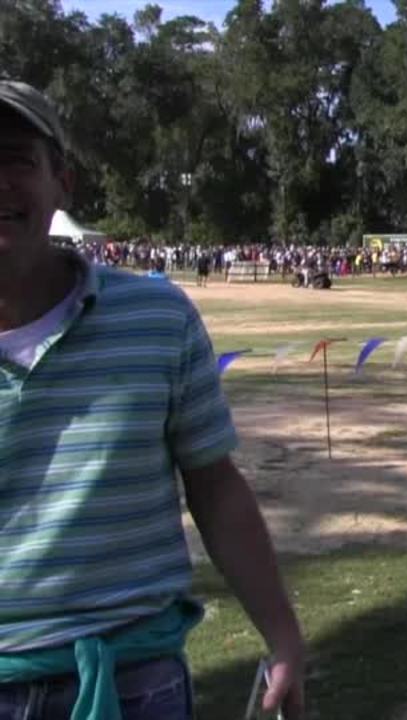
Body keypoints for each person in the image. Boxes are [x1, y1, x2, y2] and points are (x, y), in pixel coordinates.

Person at [0, 80, 305, 718]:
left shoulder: (157, 317)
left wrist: (281, 634)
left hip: (134, 682)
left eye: (16, 159)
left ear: (63, 182)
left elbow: (215, 487)